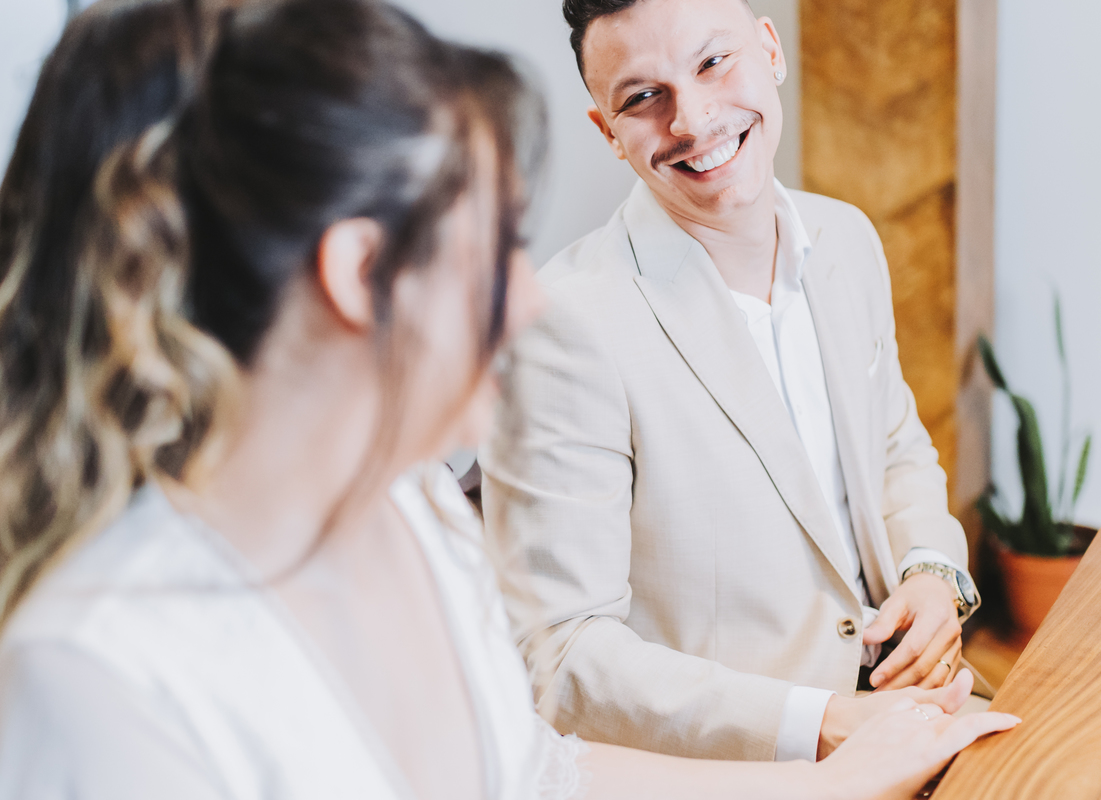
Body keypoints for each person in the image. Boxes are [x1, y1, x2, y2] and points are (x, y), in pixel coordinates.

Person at [0, 0, 1016, 798]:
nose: (528, 294)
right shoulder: (93, 674)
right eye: (492, 242)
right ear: (360, 273)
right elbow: (568, 662)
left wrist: (833, 781)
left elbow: (533, 771)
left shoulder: (417, 511)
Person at [481, 0, 990, 764]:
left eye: (712, 62)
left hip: (916, 708)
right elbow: (561, 654)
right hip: (748, 767)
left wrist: (930, 574)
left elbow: (896, 449)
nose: (692, 119)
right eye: (642, 98)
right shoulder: (562, 327)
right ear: (608, 134)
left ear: (770, 50)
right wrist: (820, 722)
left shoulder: (848, 238)